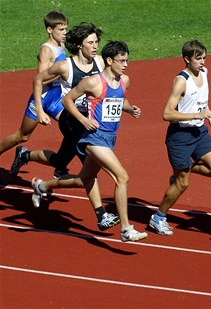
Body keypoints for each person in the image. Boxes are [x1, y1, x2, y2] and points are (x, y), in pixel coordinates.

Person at [32, 41, 147, 242]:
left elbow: (118, 100)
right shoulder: (93, 82)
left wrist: (129, 109)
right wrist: (84, 119)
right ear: (109, 61)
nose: (126, 64)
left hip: (110, 138)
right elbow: (67, 100)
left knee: (82, 180)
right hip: (93, 139)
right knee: (122, 177)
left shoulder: (124, 81)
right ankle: (126, 229)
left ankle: (43, 186)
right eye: (121, 61)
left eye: (127, 60)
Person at [148, 40, 211, 236]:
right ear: (186, 59)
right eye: (198, 58)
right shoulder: (181, 80)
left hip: (199, 133)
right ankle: (158, 216)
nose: (202, 62)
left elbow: (201, 100)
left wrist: (208, 113)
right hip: (180, 137)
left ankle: (183, 172)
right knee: (183, 184)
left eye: (204, 58)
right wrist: (195, 115)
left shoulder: (205, 73)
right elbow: (167, 114)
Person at [10, 22, 105, 179]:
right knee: (91, 170)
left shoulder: (100, 62)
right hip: (71, 120)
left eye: (96, 42)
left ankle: (25, 155)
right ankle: (99, 203)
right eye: (90, 42)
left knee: (59, 161)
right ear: (80, 45)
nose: (95, 46)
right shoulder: (61, 63)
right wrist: (40, 110)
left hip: (87, 119)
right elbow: (39, 79)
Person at [1, 9, 68, 174]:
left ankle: (60, 164)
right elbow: (41, 79)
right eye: (61, 30)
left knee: (71, 127)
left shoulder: (61, 44)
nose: (65, 33)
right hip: (42, 98)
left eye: (66, 29)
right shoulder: (46, 50)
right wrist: (62, 72)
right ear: (50, 30)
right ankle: (22, 153)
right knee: (22, 136)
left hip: (56, 97)